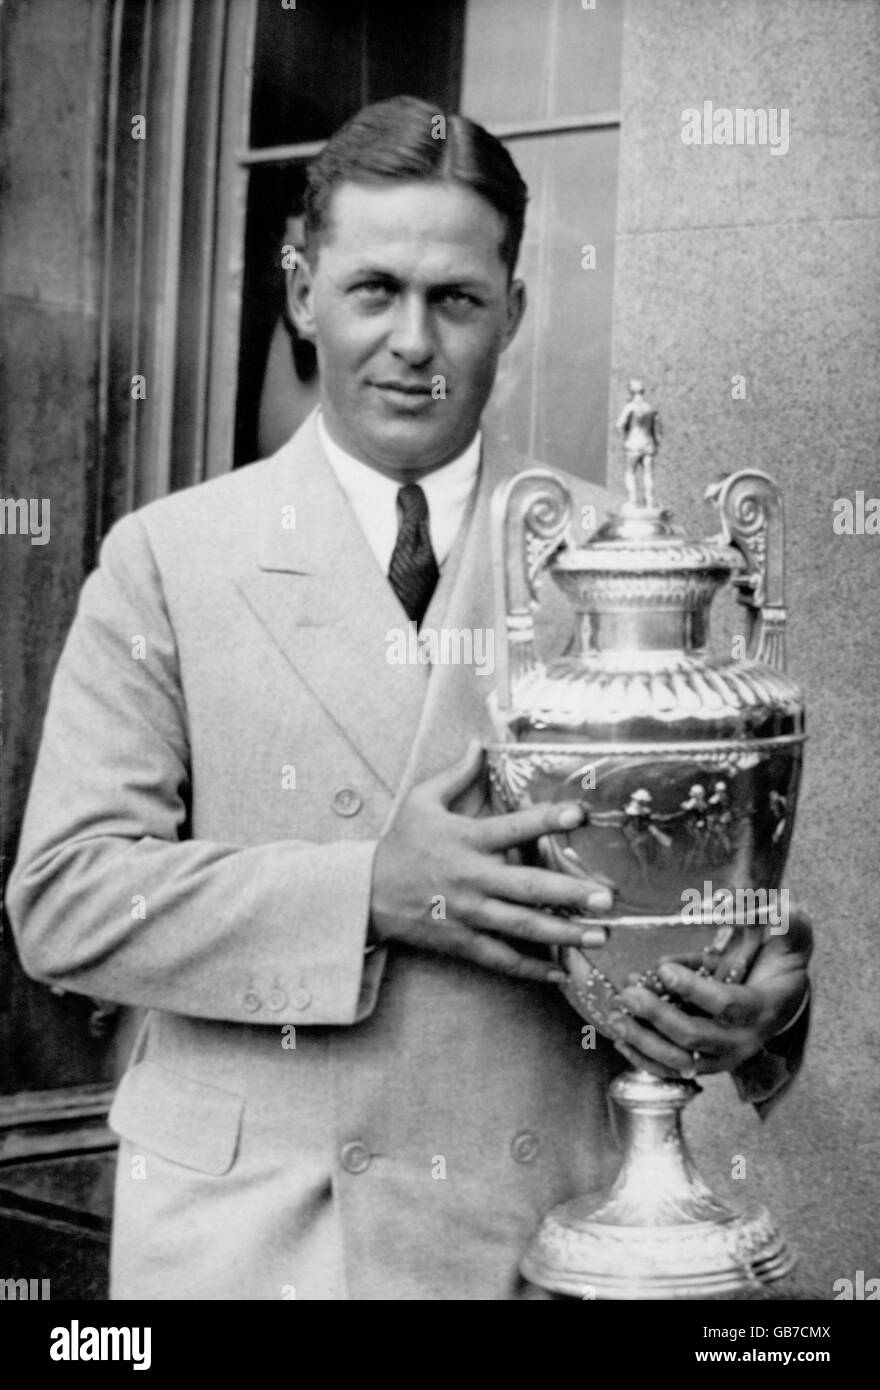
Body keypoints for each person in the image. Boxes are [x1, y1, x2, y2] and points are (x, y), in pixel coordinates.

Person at [6, 96, 812, 1301]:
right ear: (301, 297)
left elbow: (714, 877)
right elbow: (65, 899)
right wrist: (369, 892)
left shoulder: (624, 554)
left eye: (457, 299)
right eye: (374, 289)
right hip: (260, 1241)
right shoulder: (167, 556)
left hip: (547, 1228)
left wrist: (761, 997)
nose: (413, 342)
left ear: (514, 313)